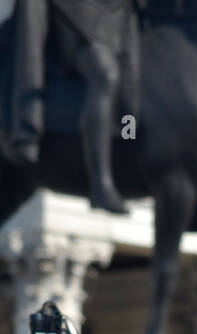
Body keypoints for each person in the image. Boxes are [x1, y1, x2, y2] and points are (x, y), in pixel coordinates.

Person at [6, 0, 139, 213]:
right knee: (104, 73)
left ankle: (127, 138)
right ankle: (100, 185)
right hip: (73, 12)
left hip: (117, 12)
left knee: (132, 82)